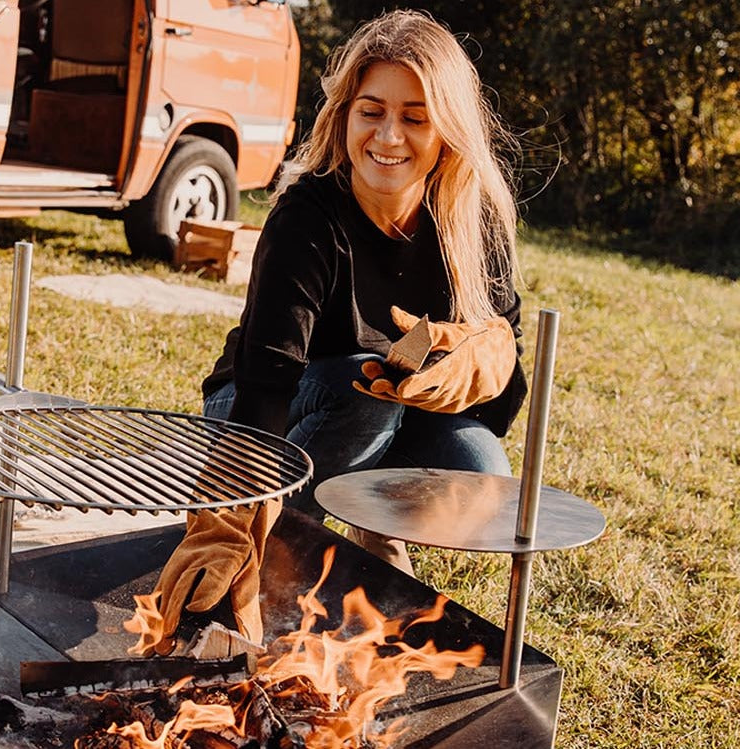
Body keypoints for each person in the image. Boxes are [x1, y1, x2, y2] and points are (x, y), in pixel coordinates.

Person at [137, 9, 527, 656]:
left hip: (381, 414)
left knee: (477, 463)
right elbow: (264, 383)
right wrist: (230, 522)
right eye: (370, 110)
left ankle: (375, 537)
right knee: (360, 391)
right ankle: (277, 569)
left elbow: (504, 391)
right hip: (258, 413)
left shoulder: (470, 216)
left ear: (447, 129)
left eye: (414, 116)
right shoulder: (307, 216)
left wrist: (477, 362)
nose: (388, 136)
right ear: (344, 114)